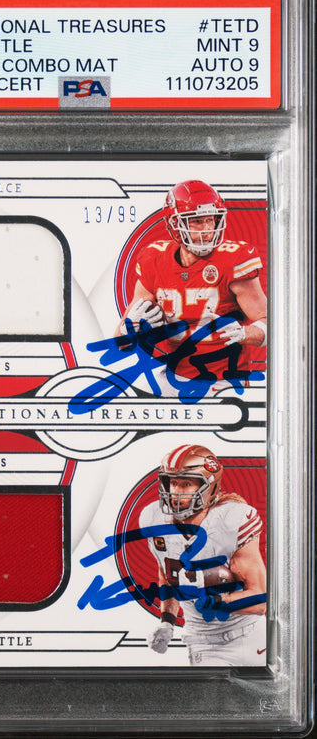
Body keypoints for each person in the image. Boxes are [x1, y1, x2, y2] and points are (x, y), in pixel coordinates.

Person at [116, 180, 267, 396]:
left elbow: (269, 323)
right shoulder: (154, 260)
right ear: (174, 223)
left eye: (210, 220)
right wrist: (130, 329)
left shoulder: (234, 260)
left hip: (224, 379)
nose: (207, 230)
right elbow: (121, 343)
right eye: (196, 221)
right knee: (132, 400)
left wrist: (245, 333)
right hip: (174, 376)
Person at [139, 444, 267, 666]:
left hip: (251, 636)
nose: (176, 492)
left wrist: (218, 601)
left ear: (209, 486)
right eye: (173, 483)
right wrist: (167, 620)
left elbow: (259, 598)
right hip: (203, 642)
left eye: (186, 484)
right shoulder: (154, 519)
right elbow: (167, 575)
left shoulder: (231, 521)